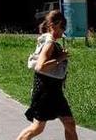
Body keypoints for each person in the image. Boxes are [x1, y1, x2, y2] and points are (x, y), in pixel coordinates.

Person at [16, 10, 78, 140]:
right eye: (63, 27)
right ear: (54, 25)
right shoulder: (49, 43)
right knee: (37, 127)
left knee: (69, 123)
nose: (63, 31)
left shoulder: (51, 41)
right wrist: (60, 58)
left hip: (55, 90)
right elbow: (40, 66)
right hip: (45, 91)